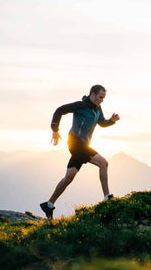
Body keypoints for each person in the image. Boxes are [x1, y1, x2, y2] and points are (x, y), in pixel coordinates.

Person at [40, 84, 120, 219]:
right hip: (76, 143)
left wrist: (111, 121)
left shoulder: (97, 109)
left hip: (83, 145)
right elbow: (59, 110)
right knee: (103, 163)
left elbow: (101, 123)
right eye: (100, 97)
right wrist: (55, 130)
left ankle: (48, 204)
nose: (102, 100)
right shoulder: (80, 106)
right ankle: (107, 197)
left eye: (103, 98)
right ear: (92, 94)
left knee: (69, 177)